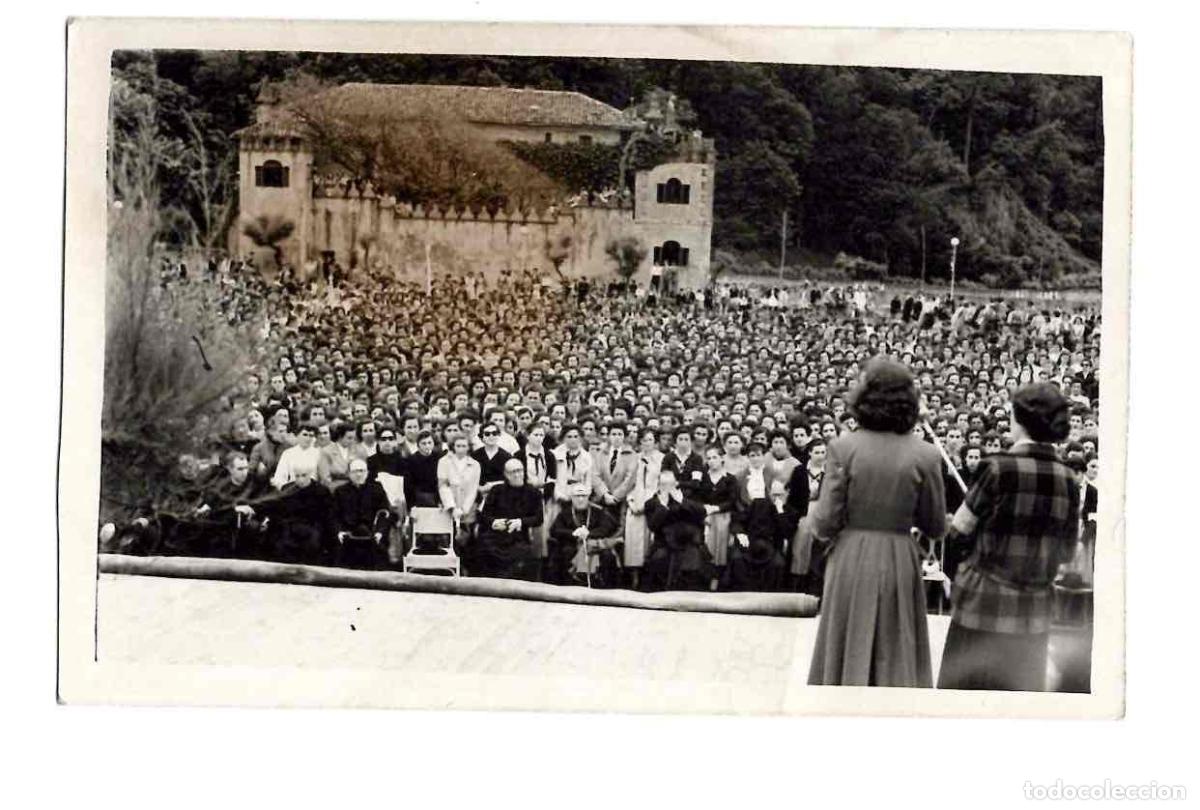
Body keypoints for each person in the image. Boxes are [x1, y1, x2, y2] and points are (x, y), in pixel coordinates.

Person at [807, 358, 947, 688]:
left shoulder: (843, 447)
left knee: (846, 645)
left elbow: (824, 523)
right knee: (897, 650)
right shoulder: (926, 454)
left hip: (851, 557)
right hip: (900, 556)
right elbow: (936, 526)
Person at [937, 383, 1082, 692]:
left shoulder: (997, 468)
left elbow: (958, 533)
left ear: (1019, 420)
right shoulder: (1069, 480)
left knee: (963, 696)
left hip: (983, 604)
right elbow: (1068, 550)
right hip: (1034, 611)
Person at [469, 459, 543, 579]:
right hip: (495, 534)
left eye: (520, 471)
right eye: (513, 472)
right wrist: (494, 522)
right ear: (506, 474)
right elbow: (482, 515)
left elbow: (538, 518)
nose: (517, 474)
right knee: (483, 547)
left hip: (519, 535)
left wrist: (520, 522)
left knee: (521, 553)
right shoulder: (496, 491)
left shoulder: (533, 493)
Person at [642, 468, 713, 591]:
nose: (667, 488)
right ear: (658, 486)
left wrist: (681, 501)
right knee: (659, 560)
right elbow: (652, 526)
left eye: (670, 484)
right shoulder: (651, 503)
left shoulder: (686, 499)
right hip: (663, 544)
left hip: (688, 543)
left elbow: (701, 512)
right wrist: (663, 507)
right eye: (663, 484)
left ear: (676, 484)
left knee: (694, 562)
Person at [258, 461, 336, 565]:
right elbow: (279, 511)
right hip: (290, 526)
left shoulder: (321, 491)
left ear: (310, 474)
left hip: (312, 526)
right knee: (281, 541)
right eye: (297, 476)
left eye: (304, 475)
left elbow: (327, 515)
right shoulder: (287, 489)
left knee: (313, 541)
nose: (300, 479)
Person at [726, 479, 796, 592]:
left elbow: (787, 532)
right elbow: (737, 521)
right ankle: (741, 594)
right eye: (774, 495)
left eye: (780, 495)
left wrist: (780, 511)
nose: (776, 498)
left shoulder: (790, 511)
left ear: (787, 493)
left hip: (772, 547)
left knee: (778, 564)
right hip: (750, 544)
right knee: (736, 559)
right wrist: (739, 533)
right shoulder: (758, 504)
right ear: (769, 493)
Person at [547, 483, 620, 586]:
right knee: (563, 553)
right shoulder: (565, 513)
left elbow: (607, 528)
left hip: (594, 545)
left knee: (608, 556)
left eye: (583, 496)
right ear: (572, 497)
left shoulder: (597, 511)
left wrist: (589, 534)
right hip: (571, 545)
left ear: (588, 497)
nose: (580, 499)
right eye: (577, 496)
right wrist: (573, 534)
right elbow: (555, 530)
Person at [332, 458, 394, 569]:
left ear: (367, 473)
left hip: (372, 532)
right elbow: (334, 515)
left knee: (380, 551)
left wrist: (380, 532)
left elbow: (385, 513)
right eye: (355, 471)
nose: (359, 474)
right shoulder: (340, 491)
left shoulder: (377, 490)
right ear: (349, 474)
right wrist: (339, 531)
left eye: (362, 471)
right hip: (349, 533)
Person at [623, 427, 663, 590]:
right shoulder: (635, 459)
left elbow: (661, 484)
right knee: (634, 541)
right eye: (644, 440)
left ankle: (650, 579)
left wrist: (648, 504)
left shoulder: (662, 459)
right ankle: (634, 577)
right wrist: (631, 501)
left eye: (650, 440)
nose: (647, 443)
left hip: (653, 502)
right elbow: (628, 483)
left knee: (650, 540)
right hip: (636, 501)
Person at [694, 445, 737, 589]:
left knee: (722, 538)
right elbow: (697, 497)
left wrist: (718, 508)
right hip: (705, 515)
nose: (711, 461)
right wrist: (704, 509)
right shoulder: (703, 478)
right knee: (705, 544)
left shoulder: (729, 478)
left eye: (715, 457)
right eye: (709, 458)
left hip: (723, 515)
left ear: (722, 459)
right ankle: (704, 576)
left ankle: (717, 577)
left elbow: (732, 500)